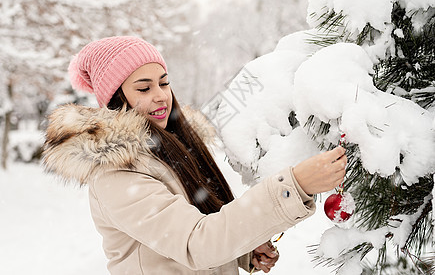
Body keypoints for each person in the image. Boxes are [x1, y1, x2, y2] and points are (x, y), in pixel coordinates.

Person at [42, 36, 346, 274]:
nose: (160, 95)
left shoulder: (171, 149)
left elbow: (197, 224)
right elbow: (196, 243)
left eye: (163, 83)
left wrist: (241, 251)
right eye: (143, 88)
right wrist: (294, 186)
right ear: (116, 99)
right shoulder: (117, 174)